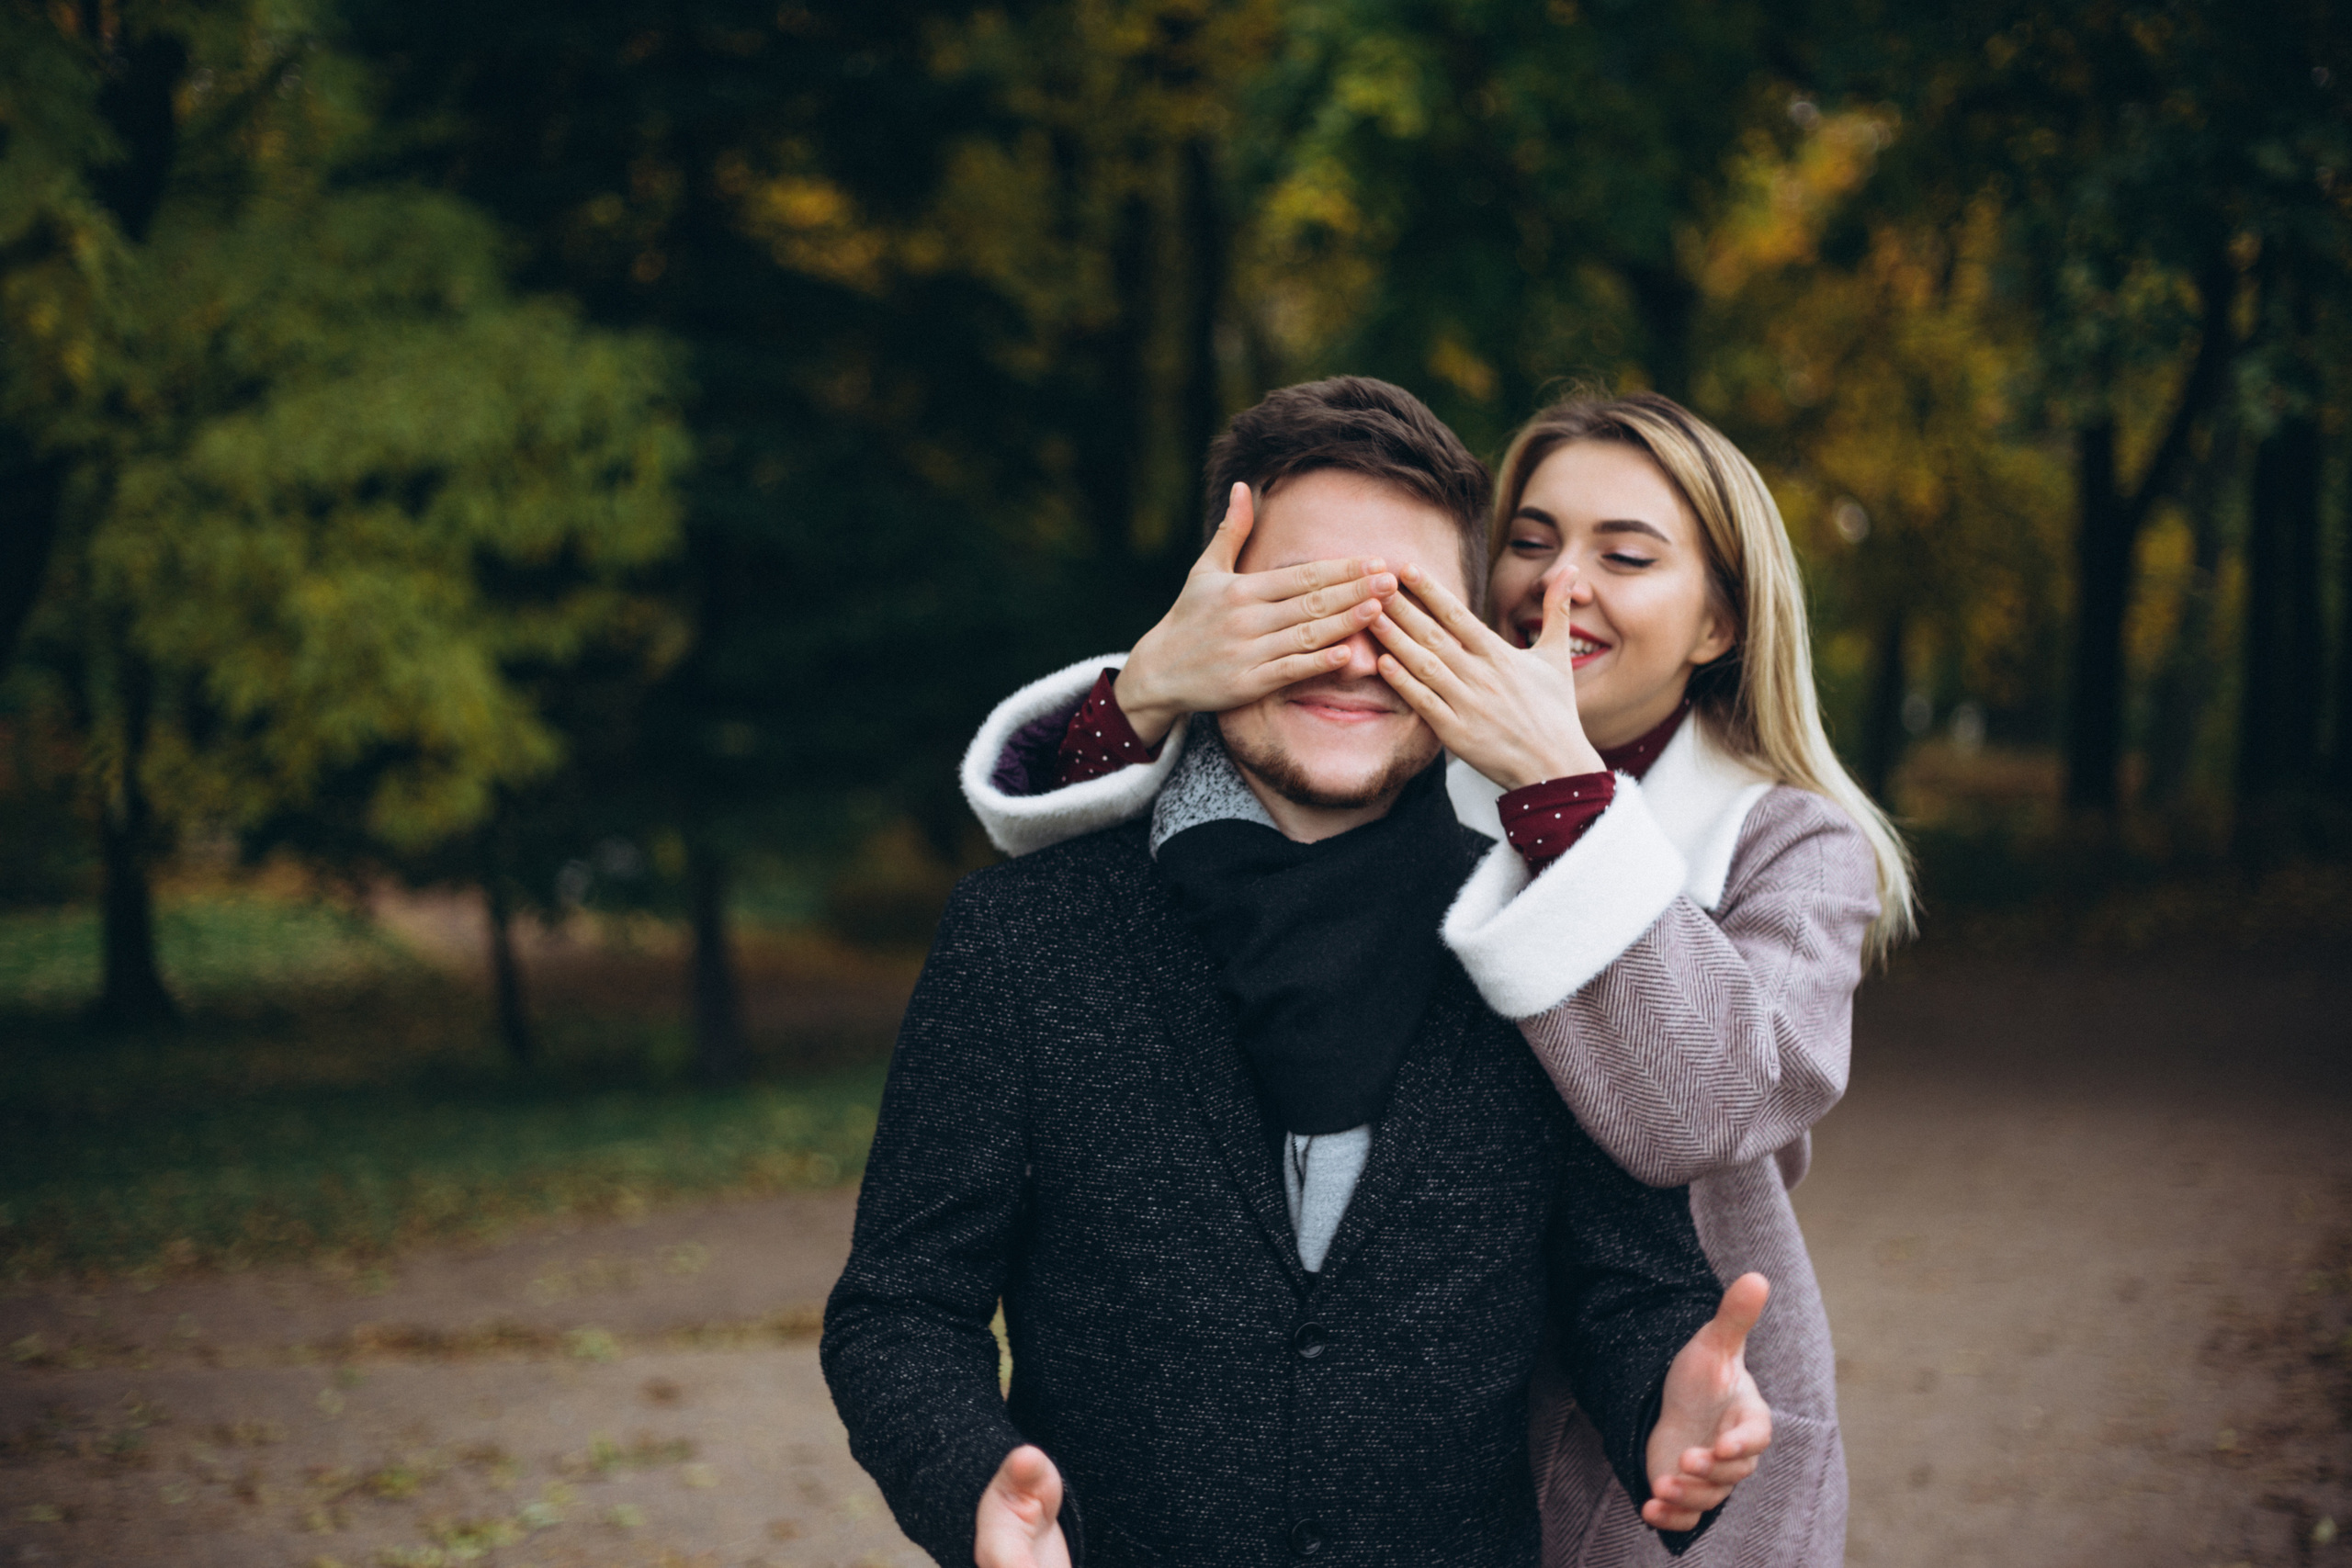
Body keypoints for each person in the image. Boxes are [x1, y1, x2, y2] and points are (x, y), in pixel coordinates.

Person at [823, 378, 1776, 1568]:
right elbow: (900, 1308)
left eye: (1409, 613)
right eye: (1301, 602)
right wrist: (972, 1487)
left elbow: (1626, 1290)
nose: (1351, 653)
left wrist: (1669, 1407)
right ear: (1210, 614)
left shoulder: (1546, 936)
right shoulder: (1022, 937)